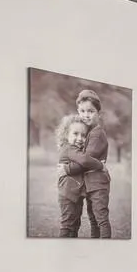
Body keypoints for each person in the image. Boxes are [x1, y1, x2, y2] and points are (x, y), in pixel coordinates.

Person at [58, 89, 112, 238]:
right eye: (82, 111)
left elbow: (85, 160)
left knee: (100, 219)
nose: (85, 115)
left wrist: (67, 169)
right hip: (89, 185)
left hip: (97, 184)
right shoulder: (86, 132)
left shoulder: (97, 134)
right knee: (93, 219)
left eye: (90, 111)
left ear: (98, 114)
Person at [54, 115, 90, 238]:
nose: (80, 138)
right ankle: (64, 248)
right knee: (68, 224)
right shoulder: (69, 149)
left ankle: (72, 249)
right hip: (68, 195)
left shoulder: (77, 151)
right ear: (66, 135)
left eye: (83, 135)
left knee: (75, 224)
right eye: (75, 134)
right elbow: (84, 163)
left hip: (76, 194)